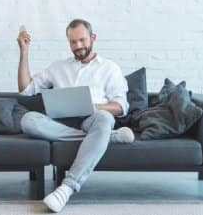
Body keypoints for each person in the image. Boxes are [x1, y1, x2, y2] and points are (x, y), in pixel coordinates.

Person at [17, 19, 135, 212]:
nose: (78, 46)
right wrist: (24, 52)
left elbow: (121, 106)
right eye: (73, 42)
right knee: (28, 120)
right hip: (61, 122)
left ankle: (67, 188)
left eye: (82, 40)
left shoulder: (109, 68)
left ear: (93, 38)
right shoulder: (58, 67)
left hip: (93, 120)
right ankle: (106, 138)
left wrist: (94, 107)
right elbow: (25, 89)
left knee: (105, 118)